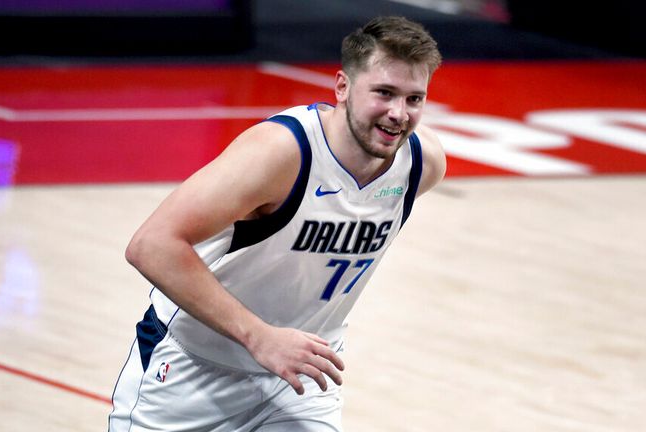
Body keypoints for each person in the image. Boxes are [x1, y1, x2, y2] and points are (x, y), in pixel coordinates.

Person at [109, 15, 446, 432]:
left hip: (302, 375)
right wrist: (260, 337)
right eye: (384, 93)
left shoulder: (422, 164)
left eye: (414, 99)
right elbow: (151, 245)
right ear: (342, 87)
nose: (398, 114)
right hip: (192, 370)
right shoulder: (282, 153)